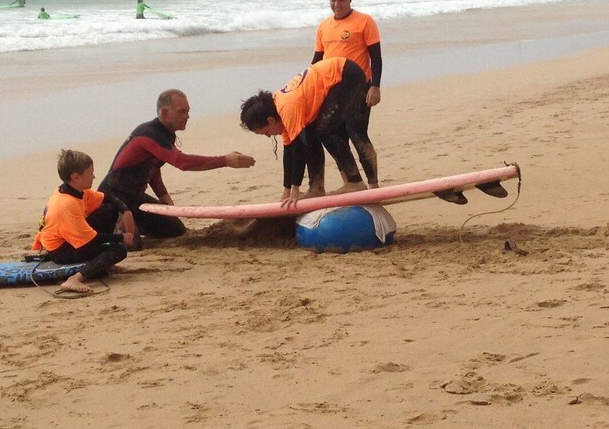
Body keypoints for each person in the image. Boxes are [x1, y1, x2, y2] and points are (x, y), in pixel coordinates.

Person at [99, 89, 255, 239]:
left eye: (188, 111)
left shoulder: (166, 134)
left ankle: (137, 228)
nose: (187, 116)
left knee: (175, 229)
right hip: (112, 200)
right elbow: (182, 162)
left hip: (134, 197)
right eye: (182, 112)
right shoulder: (148, 134)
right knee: (130, 243)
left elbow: (153, 168)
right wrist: (225, 160)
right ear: (165, 113)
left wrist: (163, 195)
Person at [240, 57, 378, 209]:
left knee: (325, 130)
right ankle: (317, 188)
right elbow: (289, 153)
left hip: (346, 74)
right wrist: (287, 190)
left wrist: (295, 190)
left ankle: (355, 181)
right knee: (311, 136)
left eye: (265, 132)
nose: (269, 136)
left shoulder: (288, 108)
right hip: (335, 77)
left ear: (271, 120)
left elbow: (298, 151)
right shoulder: (280, 112)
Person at [33, 150, 136, 294]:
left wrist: (126, 211)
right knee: (118, 250)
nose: (94, 176)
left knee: (109, 210)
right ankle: (75, 279)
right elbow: (91, 239)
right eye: (90, 173)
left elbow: (107, 197)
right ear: (76, 177)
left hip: (72, 239)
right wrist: (122, 237)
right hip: (60, 250)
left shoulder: (77, 190)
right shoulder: (66, 204)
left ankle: (102, 264)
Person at [312, 0, 382, 189]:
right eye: (333, 0)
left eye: (341, 0)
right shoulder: (324, 26)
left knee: (357, 134)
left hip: (359, 90)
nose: (337, 4)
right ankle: (351, 182)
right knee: (334, 136)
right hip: (332, 92)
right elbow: (317, 59)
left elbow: (376, 58)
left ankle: (374, 185)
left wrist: (375, 86)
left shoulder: (364, 21)